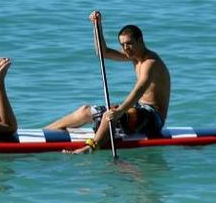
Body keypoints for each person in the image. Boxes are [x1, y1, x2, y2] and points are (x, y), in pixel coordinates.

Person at [46, 11, 171, 154]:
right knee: (86, 111)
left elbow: (140, 88)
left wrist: (120, 111)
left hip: (154, 118)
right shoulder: (134, 56)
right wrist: (97, 26)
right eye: (123, 45)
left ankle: (91, 147)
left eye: (129, 44)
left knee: (110, 114)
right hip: (138, 109)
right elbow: (103, 52)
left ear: (140, 40)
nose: (125, 48)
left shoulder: (150, 62)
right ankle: (46, 131)